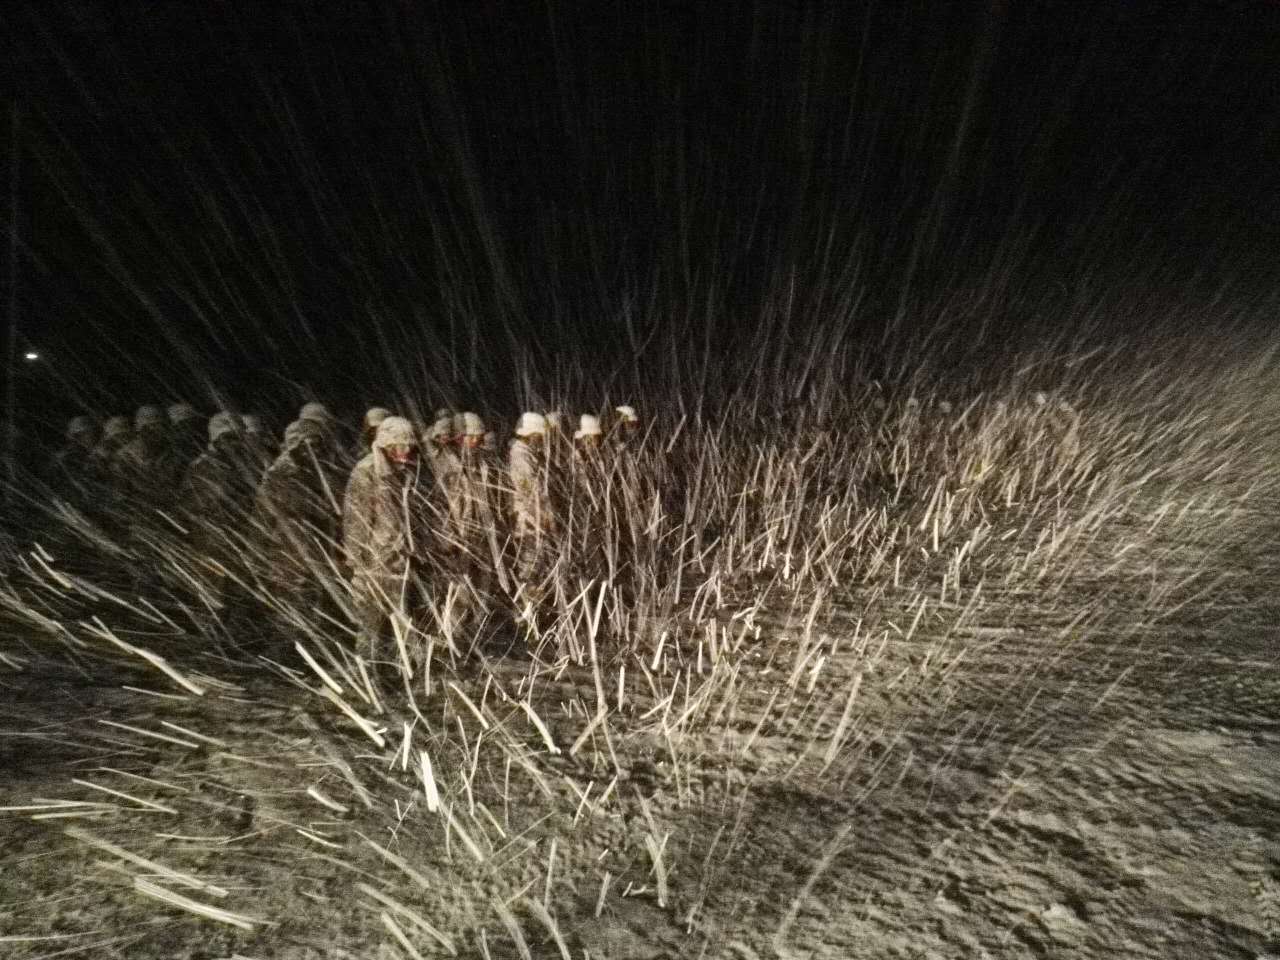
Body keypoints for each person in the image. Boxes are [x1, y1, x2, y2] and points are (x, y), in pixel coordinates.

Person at [342, 416, 428, 675]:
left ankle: (402, 673)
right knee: (371, 624)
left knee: (402, 620)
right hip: (375, 562)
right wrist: (356, 562)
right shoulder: (366, 471)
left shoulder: (407, 473)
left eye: (408, 446)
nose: (405, 451)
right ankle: (366, 677)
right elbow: (355, 520)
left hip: (401, 559)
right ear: (386, 446)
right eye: (398, 446)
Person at [254, 418, 345, 637]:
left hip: (318, 551)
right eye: (308, 444)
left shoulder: (323, 470)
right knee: (291, 611)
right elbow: (263, 519)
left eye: (316, 443)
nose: (313, 449)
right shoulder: (279, 475)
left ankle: (308, 651)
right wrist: (257, 557)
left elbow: (338, 509)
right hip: (289, 554)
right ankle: (290, 651)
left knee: (315, 606)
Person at [179, 412, 256, 613]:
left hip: (238, 541)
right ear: (217, 438)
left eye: (239, 437)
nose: (237, 444)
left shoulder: (245, 465)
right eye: (230, 438)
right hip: (212, 543)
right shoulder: (201, 468)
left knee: (239, 597)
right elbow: (192, 510)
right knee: (213, 597)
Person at [508, 412, 555, 631]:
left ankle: (530, 616)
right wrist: (543, 517)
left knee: (536, 568)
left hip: (535, 522)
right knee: (530, 570)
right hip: (529, 523)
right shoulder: (520, 456)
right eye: (539, 435)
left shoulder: (528, 454)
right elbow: (531, 493)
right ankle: (524, 619)